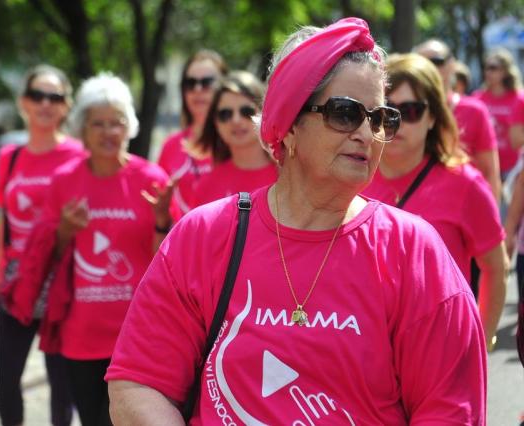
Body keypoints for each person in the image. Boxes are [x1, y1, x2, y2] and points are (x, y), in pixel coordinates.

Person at [107, 18, 487, 424]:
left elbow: (452, 410)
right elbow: (138, 382)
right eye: (345, 113)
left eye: (380, 119)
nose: (366, 132)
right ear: (287, 126)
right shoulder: (203, 236)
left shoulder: (414, 253)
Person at [6, 72, 174, 425]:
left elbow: (167, 261)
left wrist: (161, 220)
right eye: (98, 123)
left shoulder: (151, 179)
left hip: (136, 337)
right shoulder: (64, 180)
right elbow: (46, 256)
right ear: (82, 128)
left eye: (117, 123)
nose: (108, 132)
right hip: (80, 336)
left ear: (130, 128)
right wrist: (65, 230)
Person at [363, 53, 507, 349]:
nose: (398, 121)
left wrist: (479, 341)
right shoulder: (351, 176)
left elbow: (495, 267)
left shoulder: (465, 184)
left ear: (433, 118)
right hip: (364, 352)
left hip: (440, 352)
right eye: (388, 110)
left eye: (412, 110)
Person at [0, 64, 84, 426]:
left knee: (61, 385)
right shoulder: (9, 157)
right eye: (37, 96)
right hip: (18, 277)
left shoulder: (79, 156)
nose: (45, 104)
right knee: (5, 378)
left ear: (66, 106)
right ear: (23, 103)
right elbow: (5, 219)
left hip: (61, 276)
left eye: (55, 97)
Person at [414, 40, 501, 201]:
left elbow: (490, 172)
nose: (429, 68)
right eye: (421, 62)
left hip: (465, 208)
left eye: (437, 61)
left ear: (452, 64)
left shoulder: (475, 111)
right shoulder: (408, 111)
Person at [191, 71, 277, 207]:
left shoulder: (288, 176)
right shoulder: (206, 185)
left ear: (264, 113)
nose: (236, 120)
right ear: (215, 122)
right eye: (225, 114)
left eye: (246, 111)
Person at [157, 49, 228, 215]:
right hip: (184, 238)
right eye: (190, 83)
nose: (197, 89)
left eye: (207, 82)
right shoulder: (170, 146)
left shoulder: (239, 142)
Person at [473, 48, 524, 180]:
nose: (488, 72)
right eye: (486, 68)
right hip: (484, 166)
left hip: (511, 169)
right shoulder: (477, 99)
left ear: (506, 71)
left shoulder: (519, 99)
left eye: (493, 67)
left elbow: (517, 141)